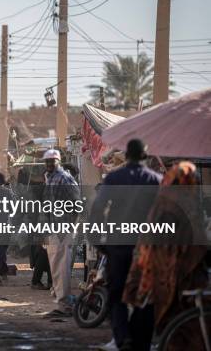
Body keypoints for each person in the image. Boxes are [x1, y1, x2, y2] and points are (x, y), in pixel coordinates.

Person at [123, 161, 208, 351]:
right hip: (173, 272)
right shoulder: (184, 205)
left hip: (152, 270)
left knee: (152, 316)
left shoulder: (161, 203)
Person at [90, 139, 162, 350]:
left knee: (117, 294)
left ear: (126, 155)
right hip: (146, 250)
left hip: (118, 247)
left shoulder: (113, 178)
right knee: (145, 295)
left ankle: (123, 338)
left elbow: (98, 210)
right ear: (145, 155)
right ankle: (141, 341)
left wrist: (98, 241)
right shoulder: (157, 180)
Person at [42, 149, 80, 317]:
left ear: (58, 161)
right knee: (56, 268)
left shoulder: (64, 178)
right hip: (53, 230)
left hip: (62, 229)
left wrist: (69, 227)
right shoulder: (50, 178)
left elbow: (76, 204)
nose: (49, 164)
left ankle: (64, 305)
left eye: (52, 161)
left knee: (61, 268)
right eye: (47, 161)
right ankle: (61, 303)